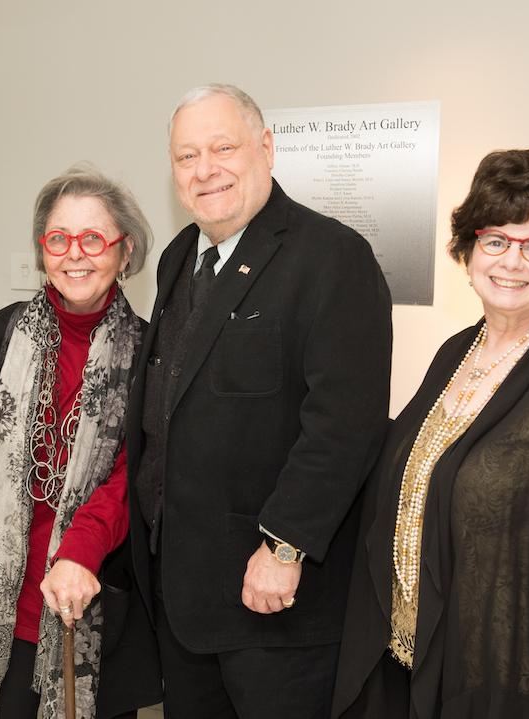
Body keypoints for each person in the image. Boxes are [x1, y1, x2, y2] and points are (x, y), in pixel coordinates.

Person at [331, 149, 529, 718]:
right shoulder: (457, 352)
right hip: (410, 671)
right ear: (469, 249)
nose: (512, 261)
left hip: (507, 689)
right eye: (496, 240)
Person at [128, 83, 392, 718]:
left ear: (266, 149)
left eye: (223, 147)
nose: (205, 169)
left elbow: (343, 427)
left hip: (273, 599)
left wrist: (284, 548)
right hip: (185, 597)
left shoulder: (333, 257)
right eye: (187, 156)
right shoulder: (177, 259)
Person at [0, 166, 161, 719]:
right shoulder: (1, 333)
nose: (75, 255)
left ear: (124, 250)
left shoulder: (147, 352)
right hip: (3, 596)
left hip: (95, 593)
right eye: (58, 239)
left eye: (94, 238)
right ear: (43, 249)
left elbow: (136, 474)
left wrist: (82, 550)